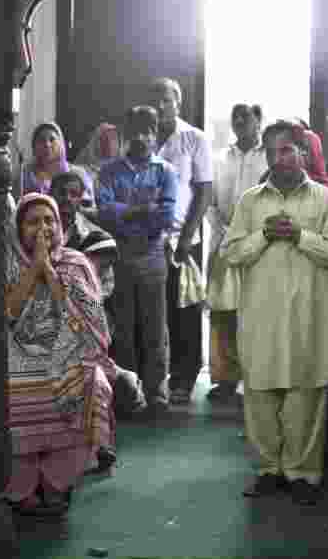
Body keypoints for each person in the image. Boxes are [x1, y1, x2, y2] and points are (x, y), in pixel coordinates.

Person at [221, 119, 328, 506]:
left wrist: (300, 236)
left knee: (304, 399)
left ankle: (302, 474)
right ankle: (268, 470)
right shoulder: (250, 202)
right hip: (262, 319)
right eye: (272, 151)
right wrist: (263, 235)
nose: (279, 159)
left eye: (286, 150)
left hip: (308, 320)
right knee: (260, 397)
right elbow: (230, 253)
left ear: (303, 153)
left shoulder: (325, 199)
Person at [3, 193, 116, 515]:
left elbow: (87, 324)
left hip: (68, 352)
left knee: (92, 382)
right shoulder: (7, 264)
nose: (43, 228)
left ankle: (56, 485)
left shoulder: (76, 263)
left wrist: (50, 272)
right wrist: (34, 267)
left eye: (49, 220)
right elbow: (7, 315)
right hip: (17, 353)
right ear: (18, 228)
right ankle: (21, 489)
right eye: (33, 221)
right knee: (4, 390)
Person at [96, 105, 178, 418]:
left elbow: (166, 217)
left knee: (155, 329)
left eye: (148, 130)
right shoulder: (108, 171)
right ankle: (131, 395)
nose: (142, 137)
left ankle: (158, 394)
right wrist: (141, 209)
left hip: (153, 255)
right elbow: (105, 215)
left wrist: (125, 211)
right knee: (125, 330)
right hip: (119, 256)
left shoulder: (166, 171)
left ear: (155, 134)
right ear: (127, 134)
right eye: (137, 131)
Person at [52, 170, 146, 422]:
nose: (66, 199)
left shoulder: (96, 237)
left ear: (80, 198)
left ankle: (99, 413)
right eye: (60, 193)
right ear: (49, 195)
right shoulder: (40, 230)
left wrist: (73, 301)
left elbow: (103, 287)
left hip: (87, 312)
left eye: (73, 194)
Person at [152, 77, 214, 406]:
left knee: (184, 310)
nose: (161, 105)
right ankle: (153, 380)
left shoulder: (194, 138)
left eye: (166, 99)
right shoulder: (142, 138)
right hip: (147, 239)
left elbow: (204, 190)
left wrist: (187, 237)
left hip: (182, 238)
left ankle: (184, 377)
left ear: (178, 102)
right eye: (156, 100)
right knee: (153, 310)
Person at [206, 103, 266, 403]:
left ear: (259, 121)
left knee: (253, 311)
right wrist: (227, 233)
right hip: (225, 241)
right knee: (222, 312)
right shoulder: (221, 158)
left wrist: (251, 235)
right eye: (236, 118)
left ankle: (253, 379)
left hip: (258, 244)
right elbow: (211, 203)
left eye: (246, 117)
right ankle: (225, 379)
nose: (240, 122)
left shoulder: (267, 156)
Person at [19, 122, 96, 209]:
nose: (47, 145)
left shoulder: (77, 173)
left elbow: (89, 206)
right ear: (34, 146)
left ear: (61, 144)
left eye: (52, 140)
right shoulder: (25, 174)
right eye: (41, 140)